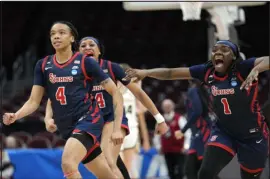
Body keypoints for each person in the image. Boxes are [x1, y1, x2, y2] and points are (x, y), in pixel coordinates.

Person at [124, 40, 269, 179]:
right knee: (204, 173)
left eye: (224, 50)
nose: (218, 52)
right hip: (224, 131)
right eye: (215, 50)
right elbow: (171, 73)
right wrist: (146, 72)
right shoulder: (207, 71)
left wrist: (257, 68)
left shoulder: (243, 68)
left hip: (252, 134)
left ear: (234, 56)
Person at [3, 21, 124, 179]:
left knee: (68, 163)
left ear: (72, 38)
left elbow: (115, 92)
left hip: (89, 119)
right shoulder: (43, 65)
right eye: (53, 34)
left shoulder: (85, 62)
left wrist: (116, 128)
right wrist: (16, 115)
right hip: (67, 126)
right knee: (105, 174)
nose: (56, 36)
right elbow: (34, 101)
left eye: (61, 33)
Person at [45, 36, 168, 179]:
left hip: (112, 119)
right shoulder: (73, 72)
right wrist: (48, 118)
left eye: (92, 44)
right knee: (108, 166)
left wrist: (159, 118)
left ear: (99, 51)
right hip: (90, 123)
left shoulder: (111, 67)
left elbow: (138, 93)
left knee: (108, 161)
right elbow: (53, 97)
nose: (87, 47)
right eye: (83, 46)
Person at [175, 79, 213, 179]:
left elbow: (197, 111)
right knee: (191, 170)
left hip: (202, 132)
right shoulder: (202, 90)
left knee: (199, 170)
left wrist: (183, 130)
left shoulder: (193, 90)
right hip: (199, 133)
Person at [118, 63, 151, 178]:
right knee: (116, 166)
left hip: (131, 130)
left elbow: (141, 112)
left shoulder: (133, 90)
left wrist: (146, 140)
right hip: (115, 130)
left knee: (127, 167)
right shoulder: (110, 89)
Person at [158, 99, 191, 179]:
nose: (167, 108)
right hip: (167, 150)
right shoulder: (160, 120)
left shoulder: (179, 118)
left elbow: (187, 133)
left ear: (173, 107)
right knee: (170, 172)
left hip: (179, 150)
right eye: (165, 106)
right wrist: (159, 147)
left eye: (169, 106)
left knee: (181, 172)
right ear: (162, 108)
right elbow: (157, 135)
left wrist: (186, 146)